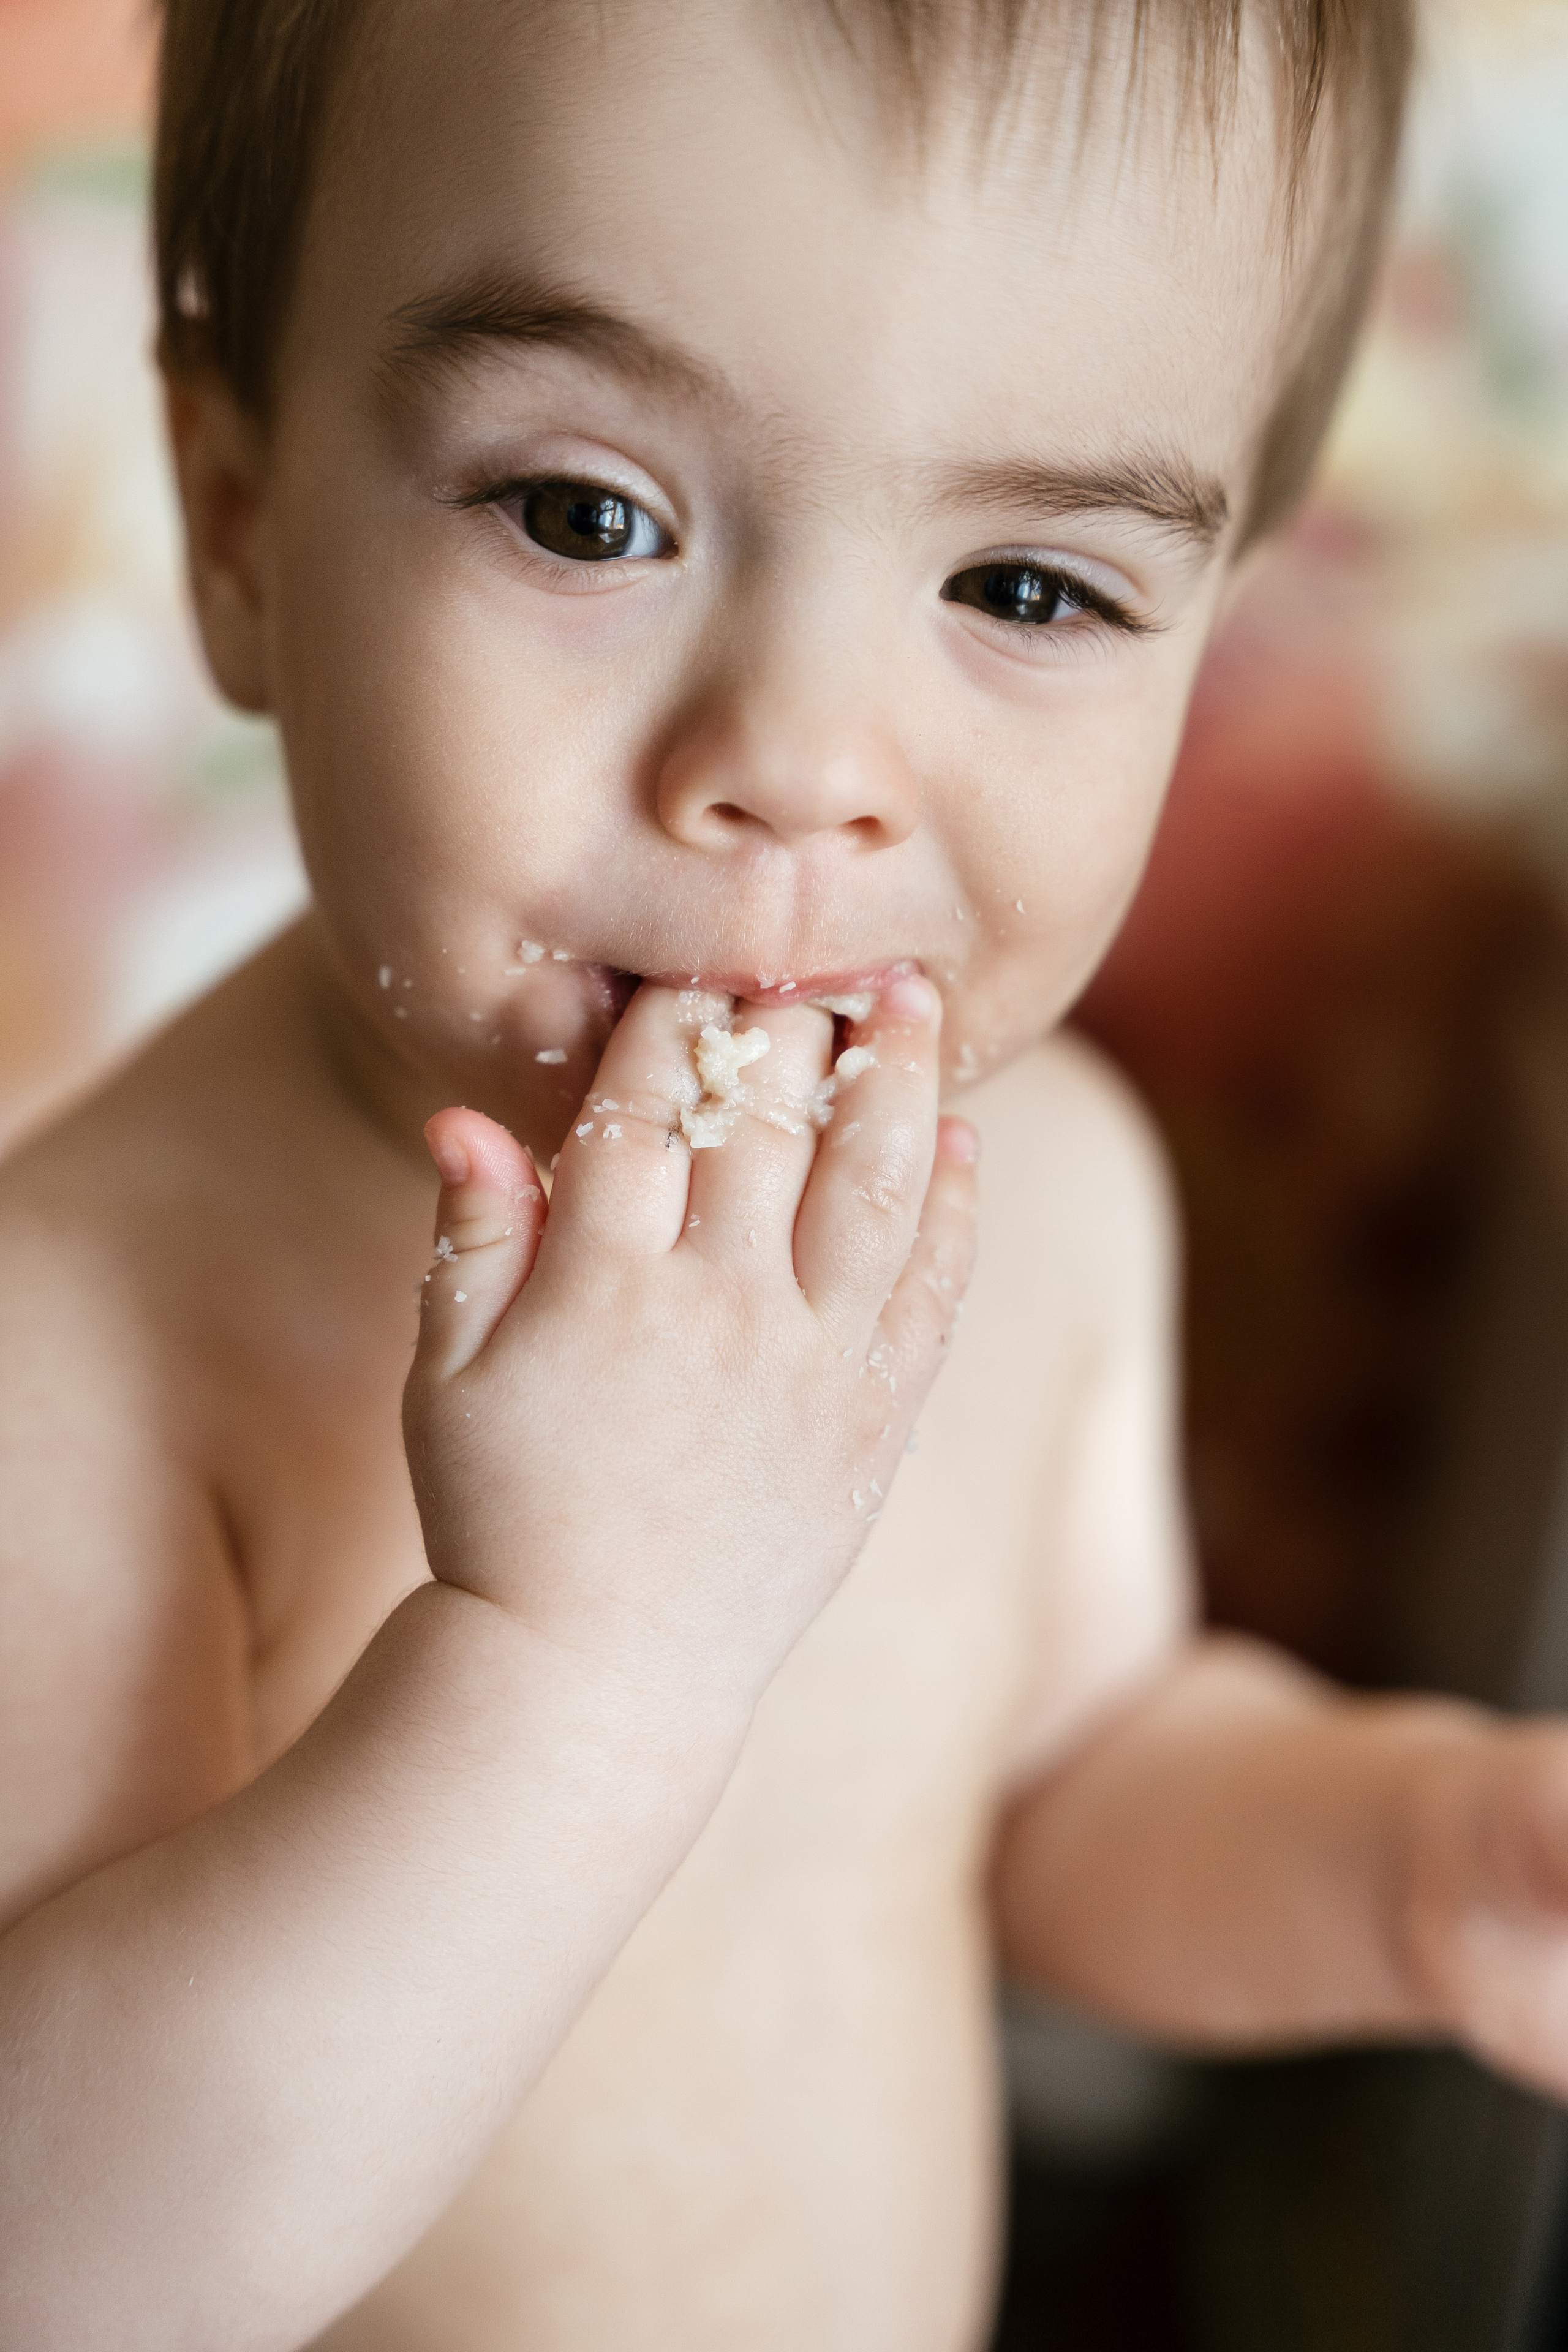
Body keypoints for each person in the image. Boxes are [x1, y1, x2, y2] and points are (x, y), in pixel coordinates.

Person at [6, 2, 1562, 2345]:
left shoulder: (1044, 1203)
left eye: (1030, 589)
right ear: (239, 530)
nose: (806, 766)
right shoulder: (86, 1351)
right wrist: (575, 1674)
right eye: (585, 513)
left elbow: (1058, 1795)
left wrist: (1411, 1864)